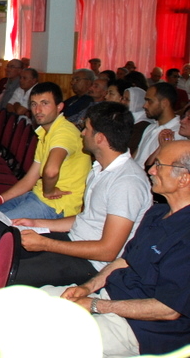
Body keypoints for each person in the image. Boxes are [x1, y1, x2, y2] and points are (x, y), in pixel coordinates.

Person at [42, 140, 190, 357]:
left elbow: (167, 310)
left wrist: (95, 305)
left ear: (184, 178)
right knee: (30, 302)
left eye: (159, 165)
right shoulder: (157, 213)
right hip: (111, 297)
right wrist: (87, 287)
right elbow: (125, 260)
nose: (151, 170)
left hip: (142, 329)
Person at [11, 102, 151, 287]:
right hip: (76, 241)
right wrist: (37, 223)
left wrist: (45, 243)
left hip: (94, 265)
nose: (82, 133)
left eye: (87, 129)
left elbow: (108, 251)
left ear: (100, 138)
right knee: (7, 247)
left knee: (11, 275)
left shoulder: (126, 182)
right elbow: (87, 219)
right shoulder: (100, 169)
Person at [0, 82, 92, 223]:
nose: (38, 110)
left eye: (45, 103)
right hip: (36, 196)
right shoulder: (45, 132)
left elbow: (51, 171)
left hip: (56, 206)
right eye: (34, 104)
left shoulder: (64, 132)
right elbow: (30, 178)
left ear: (59, 107)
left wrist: (49, 191)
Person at [133, 82, 185, 168]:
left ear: (164, 103)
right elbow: (135, 158)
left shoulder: (178, 133)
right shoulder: (151, 127)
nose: (145, 105)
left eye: (149, 101)